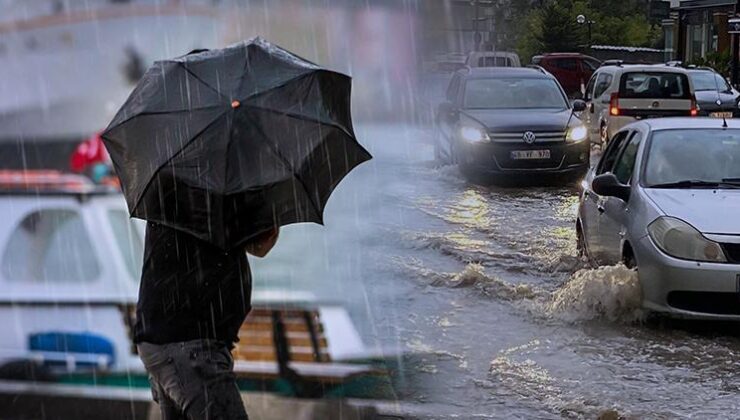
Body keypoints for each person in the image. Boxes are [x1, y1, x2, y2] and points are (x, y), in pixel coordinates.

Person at [134, 222, 279, 420]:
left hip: (170, 337)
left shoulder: (180, 197)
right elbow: (261, 243)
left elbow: (258, 244)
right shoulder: (209, 199)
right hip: (190, 344)